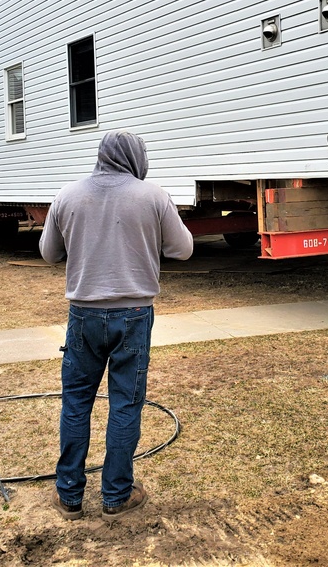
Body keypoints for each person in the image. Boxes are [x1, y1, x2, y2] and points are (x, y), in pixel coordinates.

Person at [40, 130, 193, 522]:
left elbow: (48, 254)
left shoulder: (68, 195)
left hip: (83, 316)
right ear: (136, 158)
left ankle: (69, 496)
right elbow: (183, 249)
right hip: (134, 316)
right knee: (125, 403)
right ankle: (116, 497)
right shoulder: (153, 195)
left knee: (76, 402)